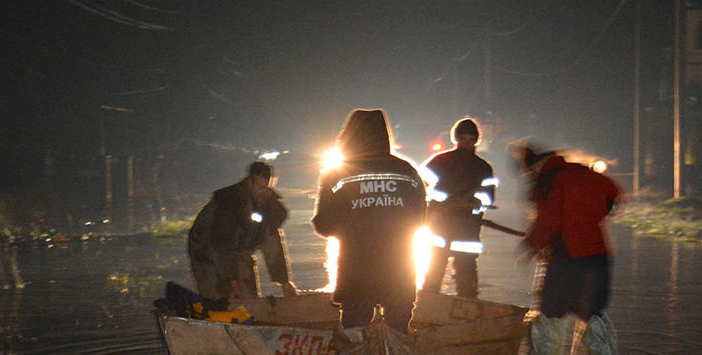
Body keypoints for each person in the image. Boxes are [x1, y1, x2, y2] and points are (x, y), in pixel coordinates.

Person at [513, 141, 627, 355]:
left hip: (567, 260)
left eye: (530, 171)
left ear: (537, 165)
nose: (531, 176)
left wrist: (532, 245)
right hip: (598, 258)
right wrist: (591, 219)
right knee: (593, 316)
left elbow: (549, 219)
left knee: (551, 315)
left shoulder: (548, 181)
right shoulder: (583, 172)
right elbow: (615, 193)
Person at [311, 108, 426, 330]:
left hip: (357, 272)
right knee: (398, 335)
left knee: (355, 333)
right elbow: (419, 220)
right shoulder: (408, 173)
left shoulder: (337, 175)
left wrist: (353, 226)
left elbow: (323, 224)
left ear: (349, 135)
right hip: (399, 270)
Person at [186, 160, 297, 303]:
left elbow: (272, 246)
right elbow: (222, 246)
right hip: (206, 251)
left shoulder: (268, 206)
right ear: (249, 182)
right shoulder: (229, 203)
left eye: (267, 188)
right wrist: (233, 283)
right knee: (219, 299)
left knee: (250, 299)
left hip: (240, 251)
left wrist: (285, 283)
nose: (264, 192)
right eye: (260, 187)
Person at [419, 116, 498, 299]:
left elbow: (488, 196)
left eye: (470, 140)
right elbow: (420, 187)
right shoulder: (439, 162)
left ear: (476, 140)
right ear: (456, 139)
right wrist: (443, 201)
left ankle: (468, 314)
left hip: (467, 231)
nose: (466, 144)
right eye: (463, 139)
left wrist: (473, 202)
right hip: (440, 229)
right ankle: (425, 311)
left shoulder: (483, 168)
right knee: (433, 274)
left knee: (467, 278)